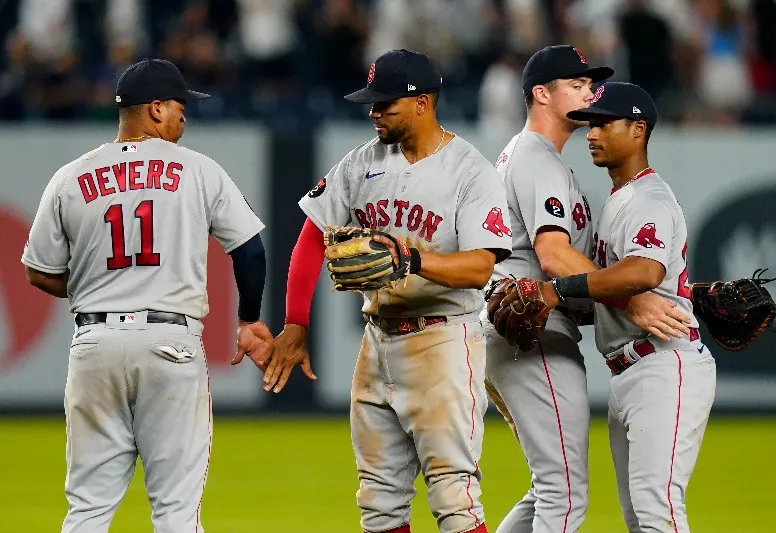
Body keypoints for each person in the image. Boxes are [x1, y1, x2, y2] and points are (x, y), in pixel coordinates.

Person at [264, 49, 513, 533]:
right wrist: (296, 322)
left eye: (386, 103)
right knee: (378, 501)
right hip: (377, 341)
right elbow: (311, 239)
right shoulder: (361, 163)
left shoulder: (469, 170)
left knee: (454, 497)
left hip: (443, 341)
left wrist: (413, 259)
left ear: (422, 102)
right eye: (372, 103)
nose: (374, 112)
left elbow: (481, 266)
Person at [22, 58, 273, 532]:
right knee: (176, 511)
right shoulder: (197, 168)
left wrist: (101, 289)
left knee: (87, 509)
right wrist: (248, 319)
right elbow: (250, 251)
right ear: (156, 109)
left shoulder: (71, 176)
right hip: (169, 344)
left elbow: (38, 272)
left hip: (94, 344)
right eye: (179, 107)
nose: (184, 117)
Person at [483, 46, 693, 533]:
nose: (589, 93)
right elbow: (554, 257)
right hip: (532, 329)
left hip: (520, 326)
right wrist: (633, 299)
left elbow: (578, 276)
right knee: (564, 493)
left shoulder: (538, 158)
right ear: (541, 93)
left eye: (590, 85)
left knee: (550, 488)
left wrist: (689, 294)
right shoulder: (536, 158)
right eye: (576, 85)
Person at [537, 81, 716, 532]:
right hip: (629, 368)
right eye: (589, 124)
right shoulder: (622, 197)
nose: (592, 133)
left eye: (604, 123)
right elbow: (625, 287)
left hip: (664, 365)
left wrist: (559, 290)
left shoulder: (647, 198)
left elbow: (644, 272)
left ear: (638, 129)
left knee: (657, 512)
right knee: (640, 519)